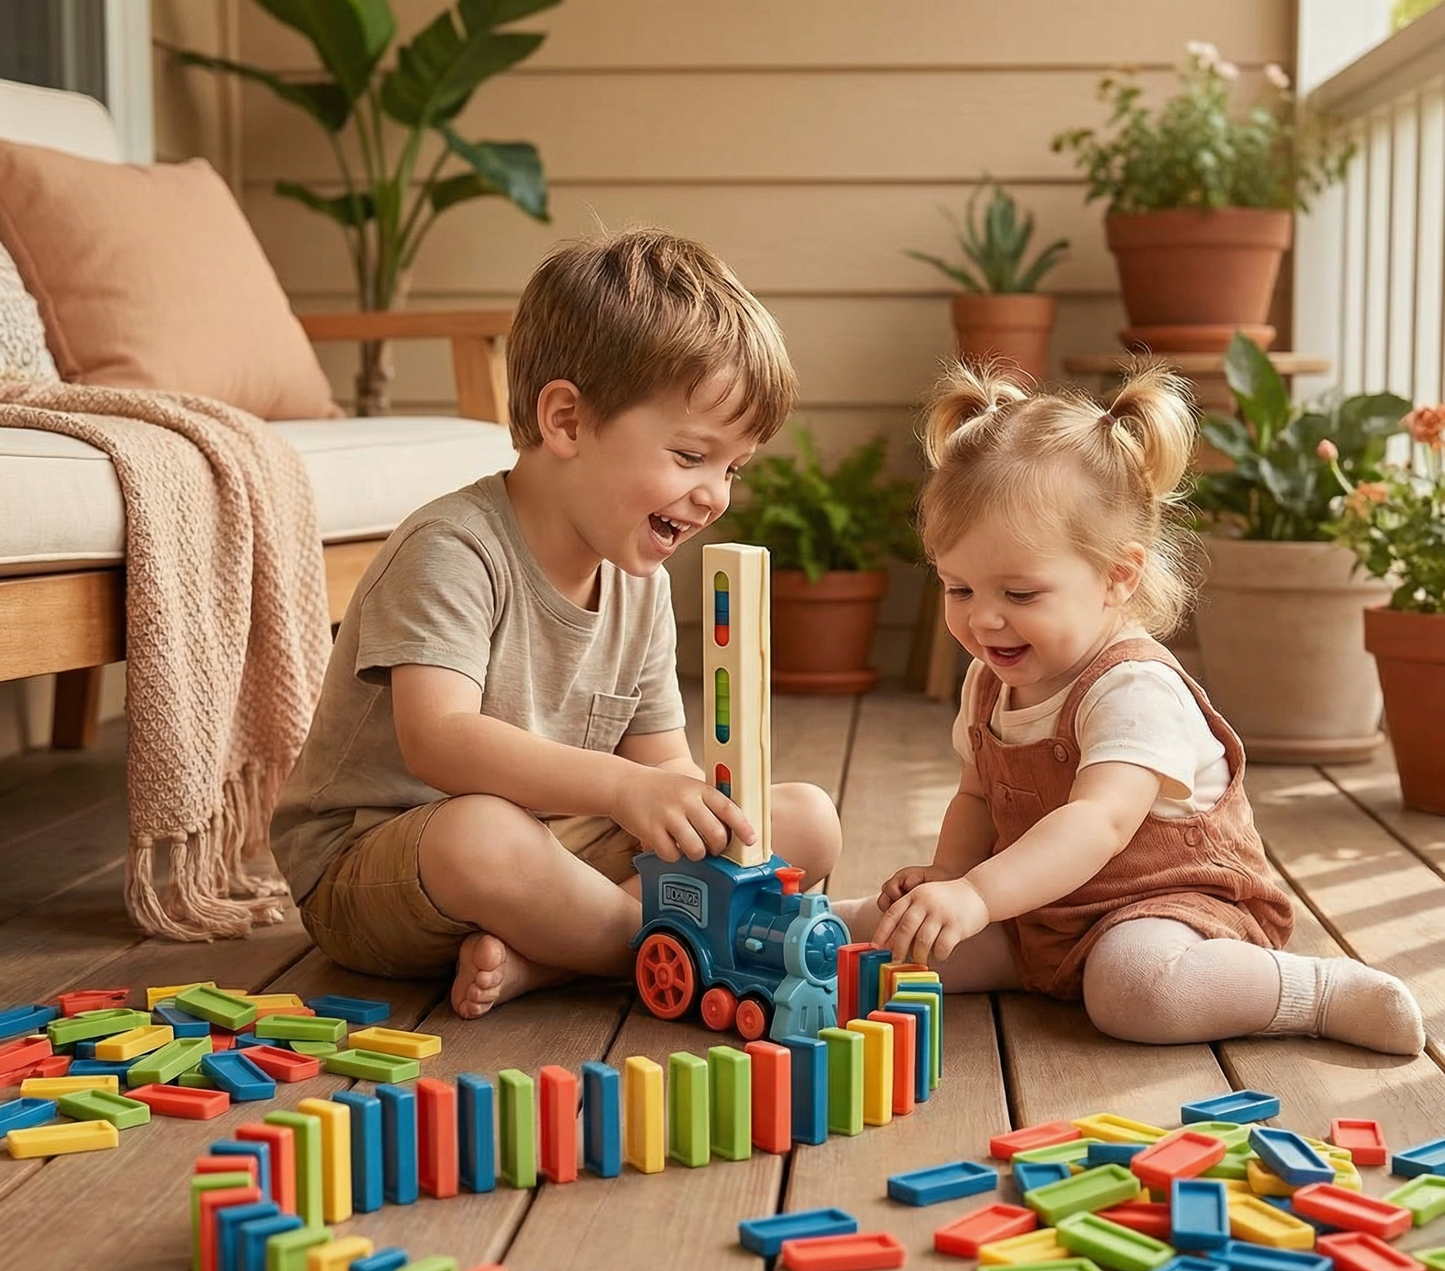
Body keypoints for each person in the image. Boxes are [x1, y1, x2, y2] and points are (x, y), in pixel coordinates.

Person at [271, 229, 842, 1020]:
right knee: (481, 833)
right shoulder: (454, 549)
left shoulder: (635, 577)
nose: (716, 495)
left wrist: (693, 813)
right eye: (689, 456)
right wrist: (623, 787)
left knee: (801, 816)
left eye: (731, 468)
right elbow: (437, 740)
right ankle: (659, 953)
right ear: (567, 421)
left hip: (551, 852)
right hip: (386, 860)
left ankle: (566, 957)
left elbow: (660, 769)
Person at [837, 358, 1425, 1054]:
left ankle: (1316, 990)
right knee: (877, 933)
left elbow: (1098, 822)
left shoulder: (1133, 688)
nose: (984, 621)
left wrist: (978, 896)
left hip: (1168, 913)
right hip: (1038, 914)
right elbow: (974, 796)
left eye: (1018, 594)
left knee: (1133, 990)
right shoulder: (990, 680)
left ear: (1117, 577)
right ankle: (739, 941)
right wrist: (946, 878)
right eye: (958, 589)